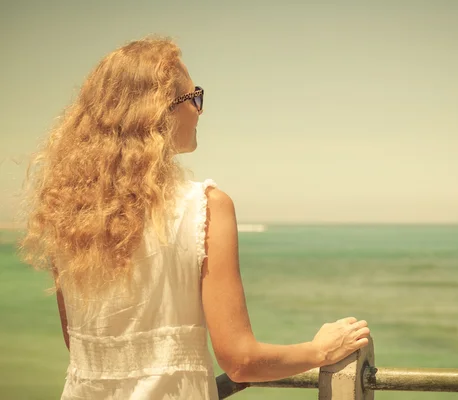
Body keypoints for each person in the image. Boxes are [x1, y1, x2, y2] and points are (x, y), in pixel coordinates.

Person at [19, 36, 370, 399]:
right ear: (160, 110)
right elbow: (240, 360)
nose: (199, 110)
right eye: (194, 97)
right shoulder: (203, 206)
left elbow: (80, 346)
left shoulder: (67, 215)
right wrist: (321, 350)